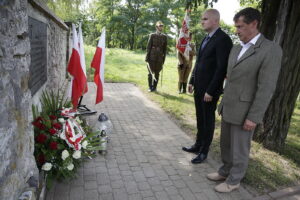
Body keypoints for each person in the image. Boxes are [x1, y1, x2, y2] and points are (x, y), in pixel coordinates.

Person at [206, 7, 282, 193]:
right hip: (229, 106)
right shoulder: (237, 48)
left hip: (245, 111)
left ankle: (234, 181)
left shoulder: (270, 50)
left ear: (254, 24)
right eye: (236, 27)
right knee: (226, 145)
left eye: (240, 26)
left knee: (239, 149)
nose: (237, 31)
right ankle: (225, 171)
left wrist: (254, 117)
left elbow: (266, 88)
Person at [182, 9, 232, 164]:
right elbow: (199, 62)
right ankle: (198, 145)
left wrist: (211, 90)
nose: (201, 22)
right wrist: (191, 80)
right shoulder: (206, 38)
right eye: (201, 19)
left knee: (208, 120)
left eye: (205, 19)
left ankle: (204, 151)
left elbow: (221, 68)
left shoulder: (223, 39)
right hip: (199, 86)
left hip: (210, 90)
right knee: (199, 117)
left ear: (215, 21)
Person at [145, 21, 168, 92]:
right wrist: (147, 57)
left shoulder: (164, 37)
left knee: (157, 73)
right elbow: (148, 47)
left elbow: (165, 49)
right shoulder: (152, 35)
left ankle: (154, 87)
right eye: (160, 26)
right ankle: (150, 87)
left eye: (162, 26)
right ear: (156, 27)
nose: (161, 27)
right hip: (152, 56)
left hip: (159, 58)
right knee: (150, 73)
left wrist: (163, 59)